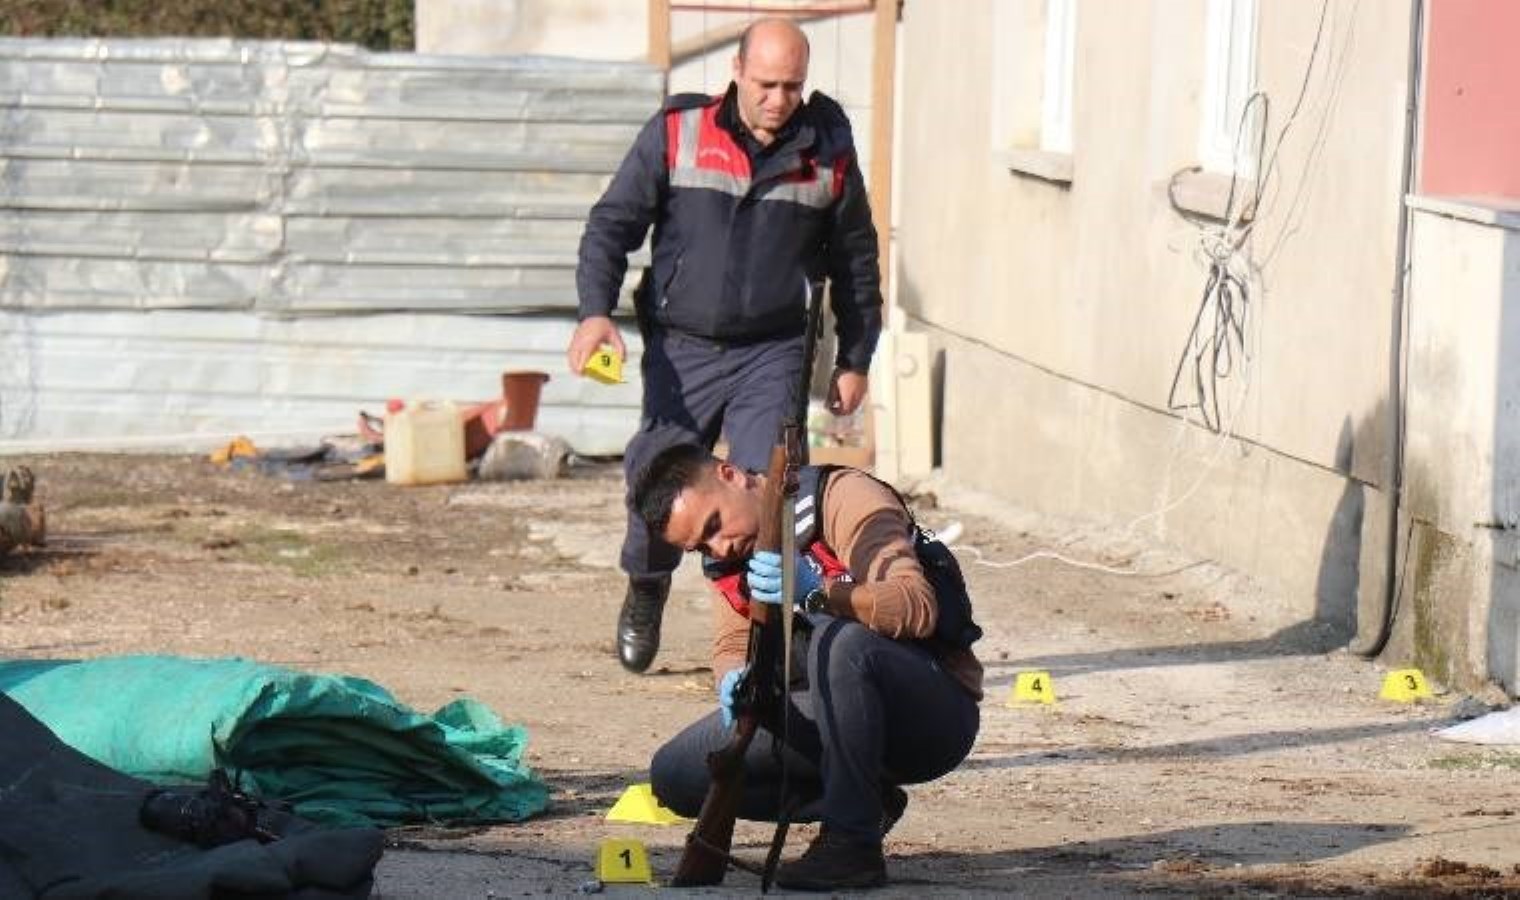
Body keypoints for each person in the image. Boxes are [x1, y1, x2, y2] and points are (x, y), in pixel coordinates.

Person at [568, 17, 883, 673]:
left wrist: (856, 356)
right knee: (656, 479)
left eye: (792, 86)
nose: (778, 100)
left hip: (772, 350)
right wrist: (594, 313)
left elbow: (856, 258)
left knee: (768, 495)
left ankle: (755, 636)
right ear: (736, 72)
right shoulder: (678, 133)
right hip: (681, 346)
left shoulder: (828, 150)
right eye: (766, 84)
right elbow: (611, 226)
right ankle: (647, 583)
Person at [630, 443, 982, 891]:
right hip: (831, 715)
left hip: (929, 715)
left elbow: (916, 607)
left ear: (731, 475)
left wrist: (819, 594)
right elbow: (732, 641)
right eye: (701, 544)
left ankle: (851, 845)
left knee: (842, 642)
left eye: (715, 525)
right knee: (677, 774)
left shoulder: (843, 497)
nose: (720, 546)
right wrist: (732, 677)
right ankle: (864, 803)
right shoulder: (726, 557)